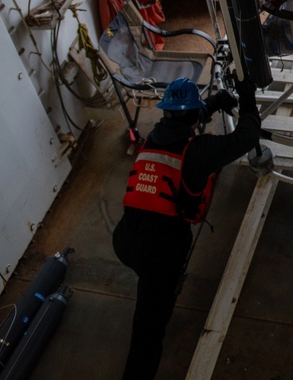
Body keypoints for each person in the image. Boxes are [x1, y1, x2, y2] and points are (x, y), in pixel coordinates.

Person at [112, 75, 261, 379]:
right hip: (159, 252)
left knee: (154, 278)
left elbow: (185, 120)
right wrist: (247, 99)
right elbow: (246, 137)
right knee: (148, 332)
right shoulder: (199, 151)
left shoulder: (155, 136)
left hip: (126, 237)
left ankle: (163, 283)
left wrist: (215, 103)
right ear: (192, 114)